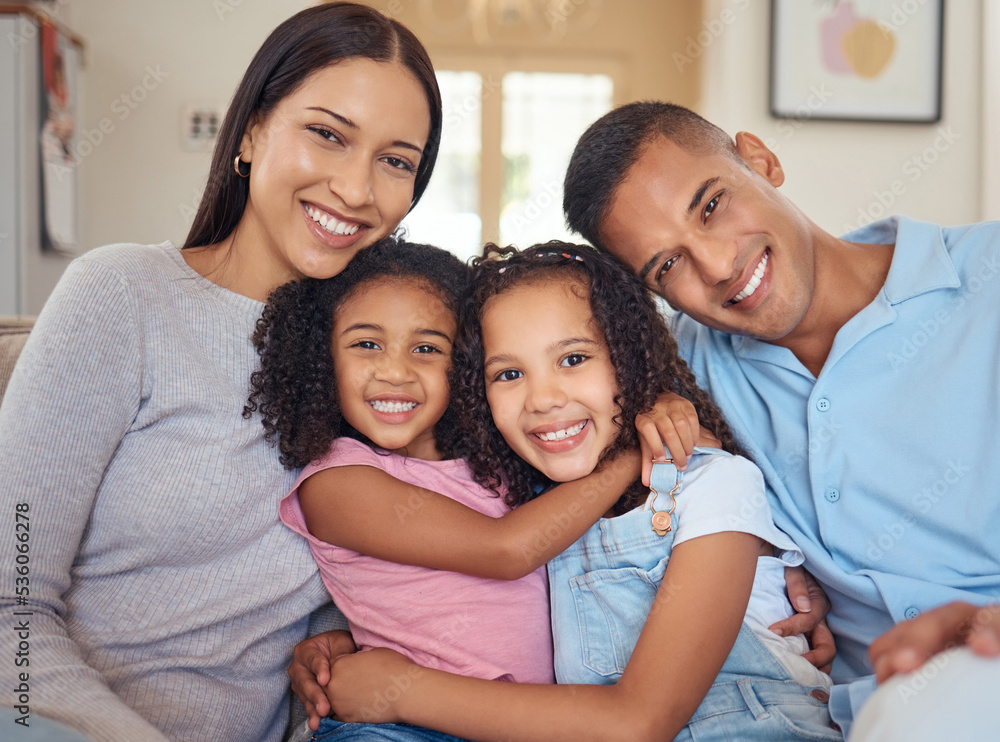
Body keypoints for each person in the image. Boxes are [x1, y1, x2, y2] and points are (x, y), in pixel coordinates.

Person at [0, 4, 443, 740]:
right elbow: (10, 605)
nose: (358, 189)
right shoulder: (121, 296)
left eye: (396, 160)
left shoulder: (383, 363)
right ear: (250, 131)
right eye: (328, 135)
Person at [560, 101, 1000, 738]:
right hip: (855, 713)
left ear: (760, 159)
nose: (715, 266)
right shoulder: (679, 372)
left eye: (710, 205)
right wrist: (766, 550)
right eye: (668, 266)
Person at [319, 243, 841, 742]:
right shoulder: (538, 502)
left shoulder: (713, 483)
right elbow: (479, 589)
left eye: (573, 359)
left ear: (629, 358)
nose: (543, 399)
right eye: (509, 373)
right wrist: (349, 645)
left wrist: (403, 692)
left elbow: (637, 724)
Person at [251, 239, 713, 741]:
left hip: (525, 720)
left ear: (467, 366)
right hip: (401, 727)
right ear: (321, 358)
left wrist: (654, 406)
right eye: (367, 344)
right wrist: (633, 445)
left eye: (427, 348)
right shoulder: (336, 481)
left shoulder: (501, 463)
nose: (396, 371)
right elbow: (506, 549)